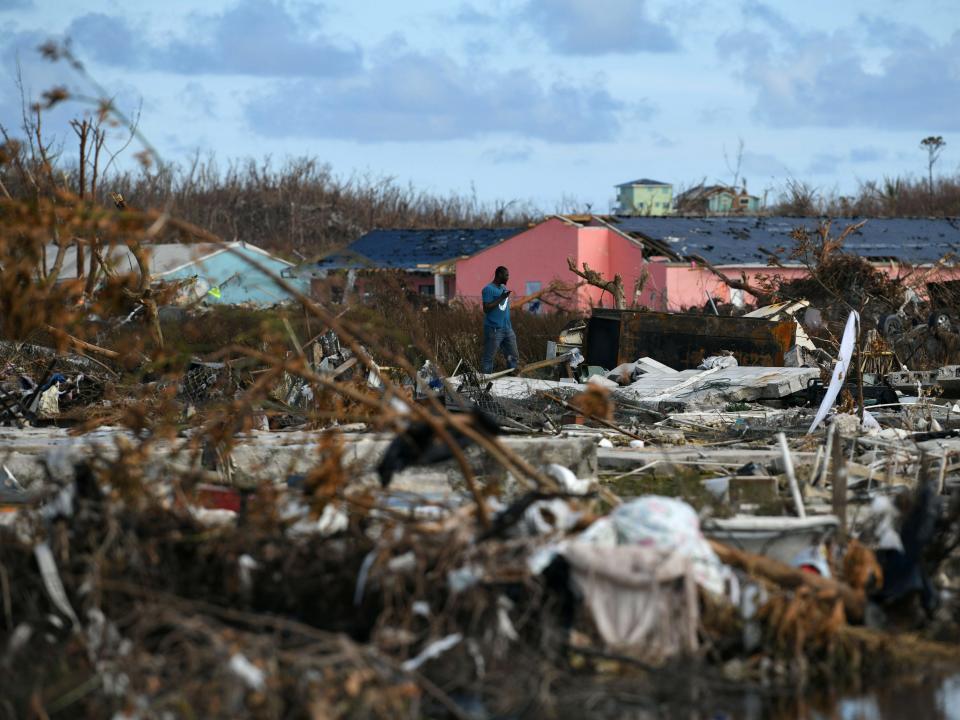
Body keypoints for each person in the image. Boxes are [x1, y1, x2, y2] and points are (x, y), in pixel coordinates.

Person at [480, 266, 546, 374]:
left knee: (513, 356)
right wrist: (501, 297)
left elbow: (504, 307)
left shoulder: (504, 289)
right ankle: (484, 381)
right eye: (507, 275)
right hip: (494, 329)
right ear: (499, 275)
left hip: (507, 328)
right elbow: (486, 308)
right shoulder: (488, 289)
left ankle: (513, 379)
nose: (508, 277)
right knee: (489, 357)